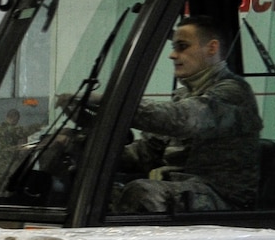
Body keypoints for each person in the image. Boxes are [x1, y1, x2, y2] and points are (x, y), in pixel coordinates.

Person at [110, 15, 262, 212]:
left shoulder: (233, 93)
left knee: (143, 194)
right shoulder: (184, 95)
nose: (172, 55)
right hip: (185, 189)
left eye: (182, 47)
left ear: (212, 48)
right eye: (174, 47)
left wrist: (118, 106)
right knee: (105, 193)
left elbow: (182, 119)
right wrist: (89, 151)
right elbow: (147, 152)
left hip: (222, 197)